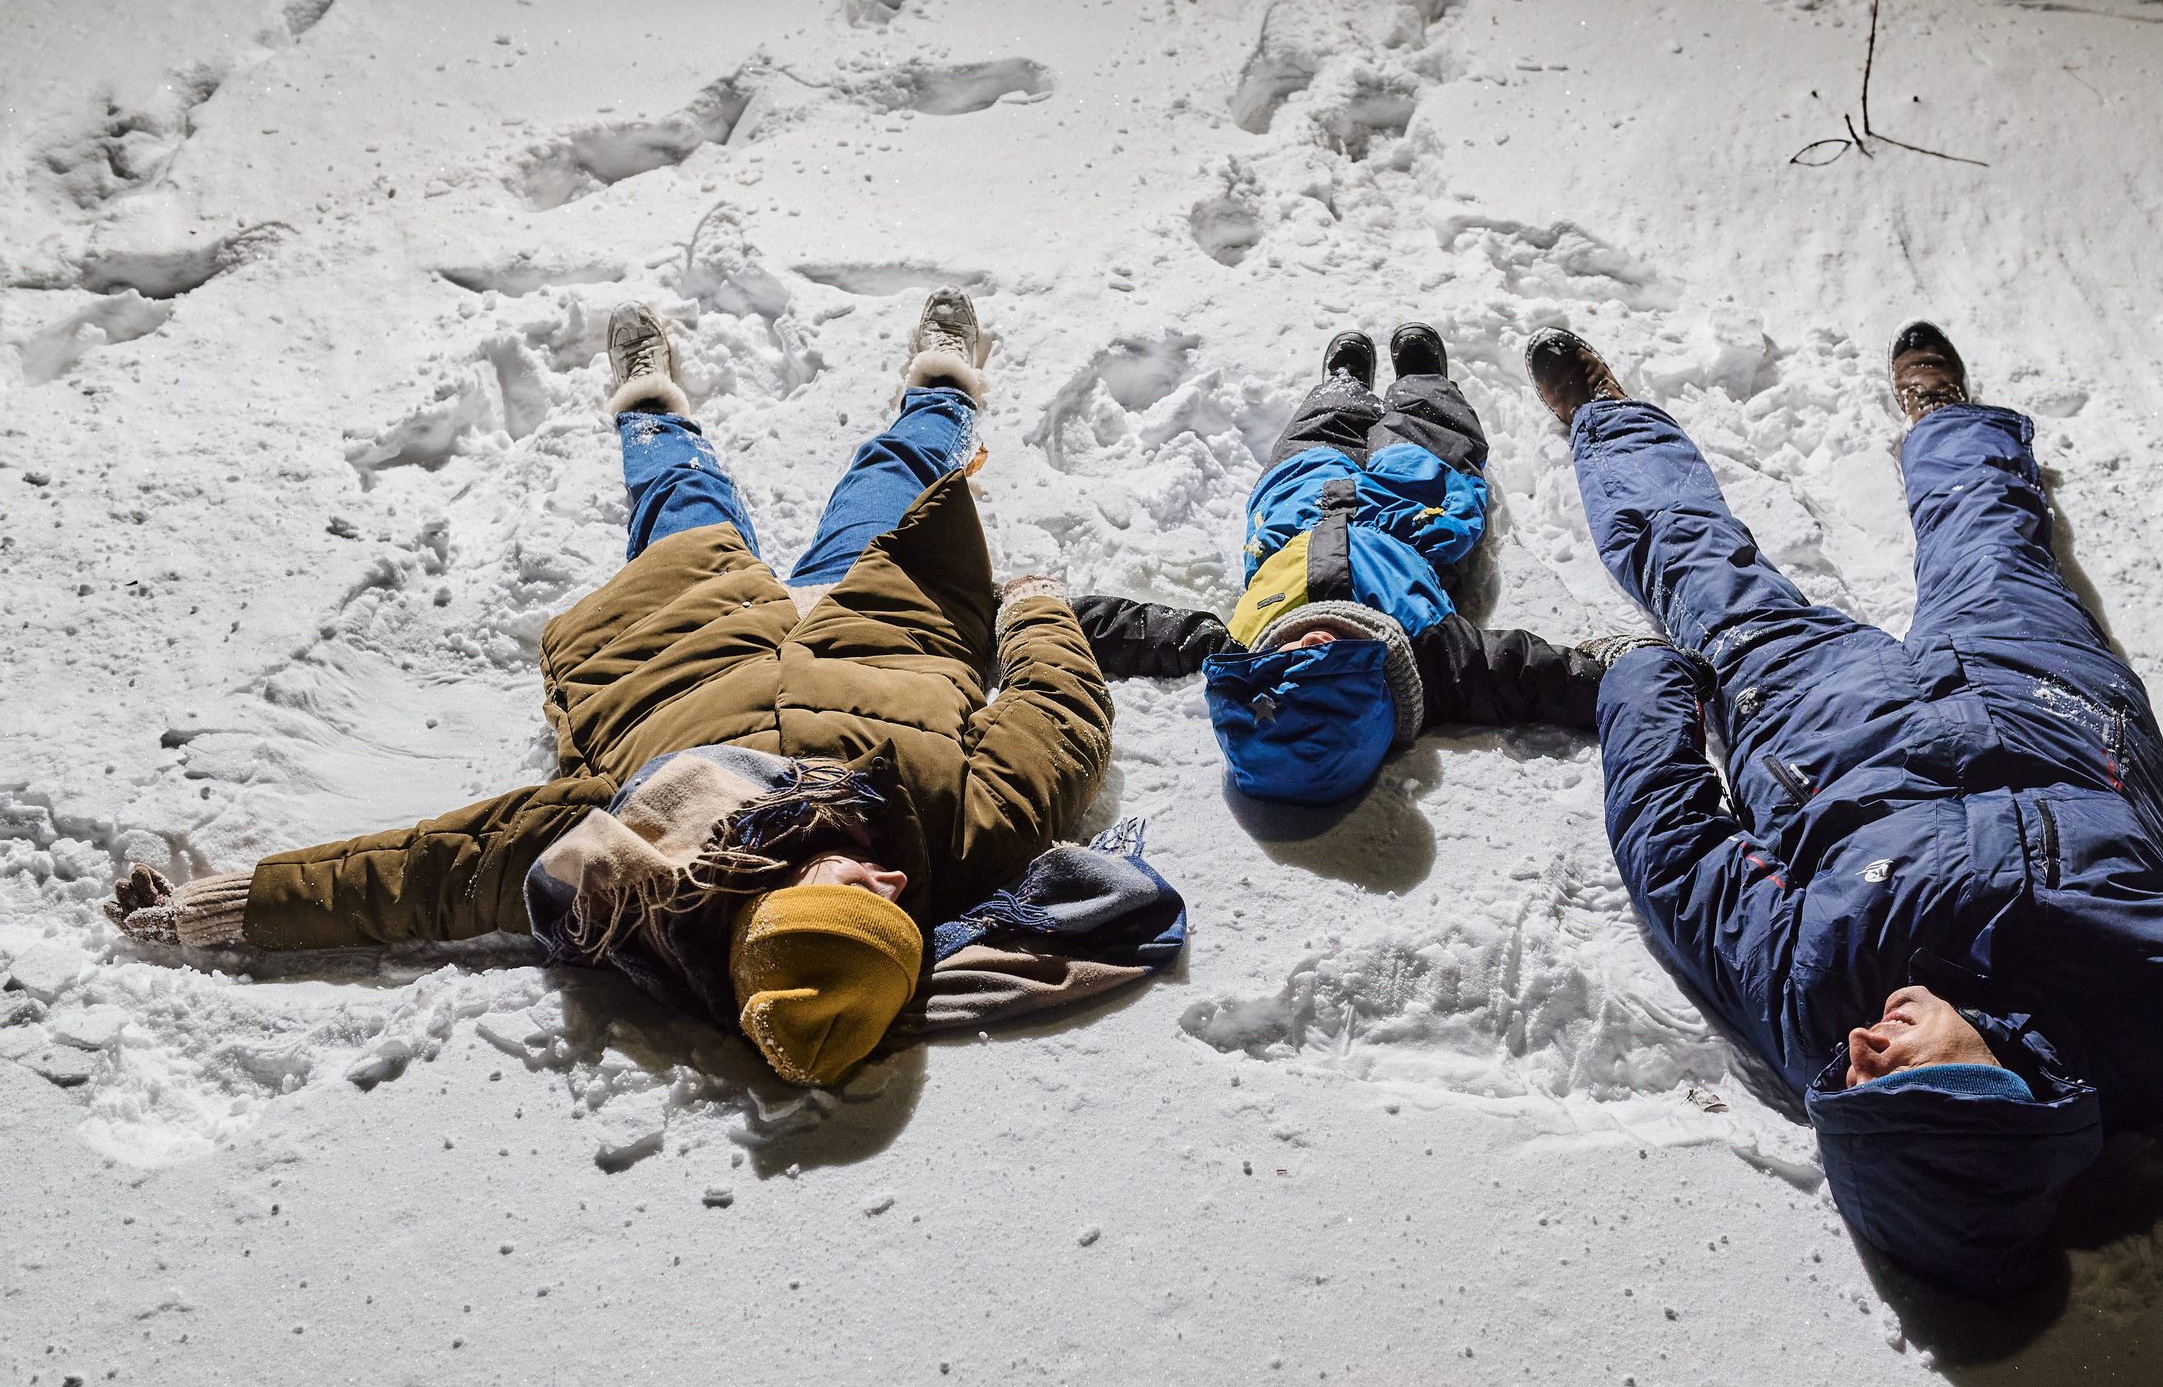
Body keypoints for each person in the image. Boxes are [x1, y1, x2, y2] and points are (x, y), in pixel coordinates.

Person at [1528, 320, 2163, 1297]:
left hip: (1824, 734)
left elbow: (1676, 856)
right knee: (1988, 535)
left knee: (1694, 571)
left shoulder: (1817, 1003)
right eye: (1892, 1069)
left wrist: (1644, 687)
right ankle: (1944, 422)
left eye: (1850, 1079)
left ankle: (1603, 419)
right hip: (2051, 708)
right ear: (1992, 1095)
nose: (1859, 1048)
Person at [102, 291, 1165, 1086]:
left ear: (774, 908)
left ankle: (648, 405)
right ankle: (943, 384)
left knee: (677, 493)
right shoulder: (973, 832)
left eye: (858, 903)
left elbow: (431, 870)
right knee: (897, 480)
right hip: (876, 609)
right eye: (902, 913)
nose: (896, 889)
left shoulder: (634, 861)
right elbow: (1057, 720)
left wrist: (233, 905)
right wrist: (1031, 609)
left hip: (682, 638)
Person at [1075, 325, 1606, 804]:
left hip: (1299, 510)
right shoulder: (1435, 659)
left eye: (1281, 667)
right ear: (1379, 698)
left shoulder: (1236, 646)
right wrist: (1615, 673)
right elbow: (1529, 673)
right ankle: (1423, 380)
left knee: (1315, 435)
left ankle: (1342, 385)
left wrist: (1041, 613)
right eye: (1332, 668)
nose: (1305, 647)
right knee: (1430, 441)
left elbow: (1139, 633)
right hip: (1410, 518)